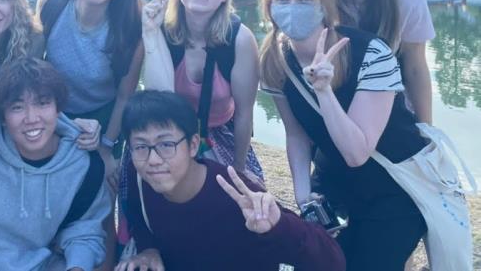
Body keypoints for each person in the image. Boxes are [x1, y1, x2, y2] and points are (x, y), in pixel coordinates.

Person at [259, 0, 430, 270]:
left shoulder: (372, 53)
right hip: (332, 182)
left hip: (392, 188)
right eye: (282, 0)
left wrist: (324, 92)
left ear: (325, 4)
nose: (292, 8)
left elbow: (356, 152)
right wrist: (303, 194)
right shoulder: (274, 59)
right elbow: (296, 134)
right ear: (268, 8)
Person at [115, 91, 344, 271]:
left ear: (193, 145)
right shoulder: (142, 180)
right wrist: (149, 248)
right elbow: (138, 218)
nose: (153, 159)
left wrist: (280, 226)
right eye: (141, 146)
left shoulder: (236, 193)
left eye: (166, 144)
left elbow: (332, 263)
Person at [0, 58, 111, 271]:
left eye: (42, 103)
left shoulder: (83, 165)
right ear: (3, 117)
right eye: (17, 107)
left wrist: (77, 266)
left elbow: (85, 230)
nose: (31, 118)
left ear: (58, 108)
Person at [142, 0, 263, 182]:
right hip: (167, 130)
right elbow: (157, 99)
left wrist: (239, 167)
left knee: (245, 196)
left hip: (219, 132)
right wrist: (150, 33)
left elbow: (244, 113)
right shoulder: (160, 30)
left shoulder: (240, 39)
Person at [35, 0, 143, 181]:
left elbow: (125, 95)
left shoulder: (131, 26)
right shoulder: (50, 4)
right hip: (53, 112)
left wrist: (106, 147)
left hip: (104, 117)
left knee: (102, 192)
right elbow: (32, 72)